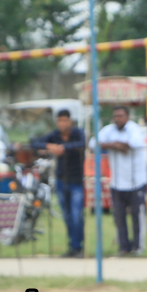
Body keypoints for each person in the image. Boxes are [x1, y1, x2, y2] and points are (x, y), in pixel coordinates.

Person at [93, 106, 147, 255]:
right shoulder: (109, 130)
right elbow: (93, 143)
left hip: (136, 182)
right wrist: (116, 145)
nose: (118, 118)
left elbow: (135, 143)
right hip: (117, 182)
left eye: (121, 115)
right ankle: (124, 247)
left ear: (127, 117)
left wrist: (111, 145)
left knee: (137, 216)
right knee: (119, 217)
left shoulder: (134, 129)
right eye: (115, 116)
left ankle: (137, 247)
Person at [39, 108, 86, 257]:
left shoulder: (78, 133)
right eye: (60, 121)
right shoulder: (54, 135)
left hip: (76, 181)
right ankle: (73, 246)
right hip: (61, 181)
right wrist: (49, 146)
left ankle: (78, 246)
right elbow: (35, 142)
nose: (62, 123)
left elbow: (82, 143)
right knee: (67, 216)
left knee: (76, 215)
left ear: (70, 121)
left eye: (65, 120)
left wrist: (62, 147)